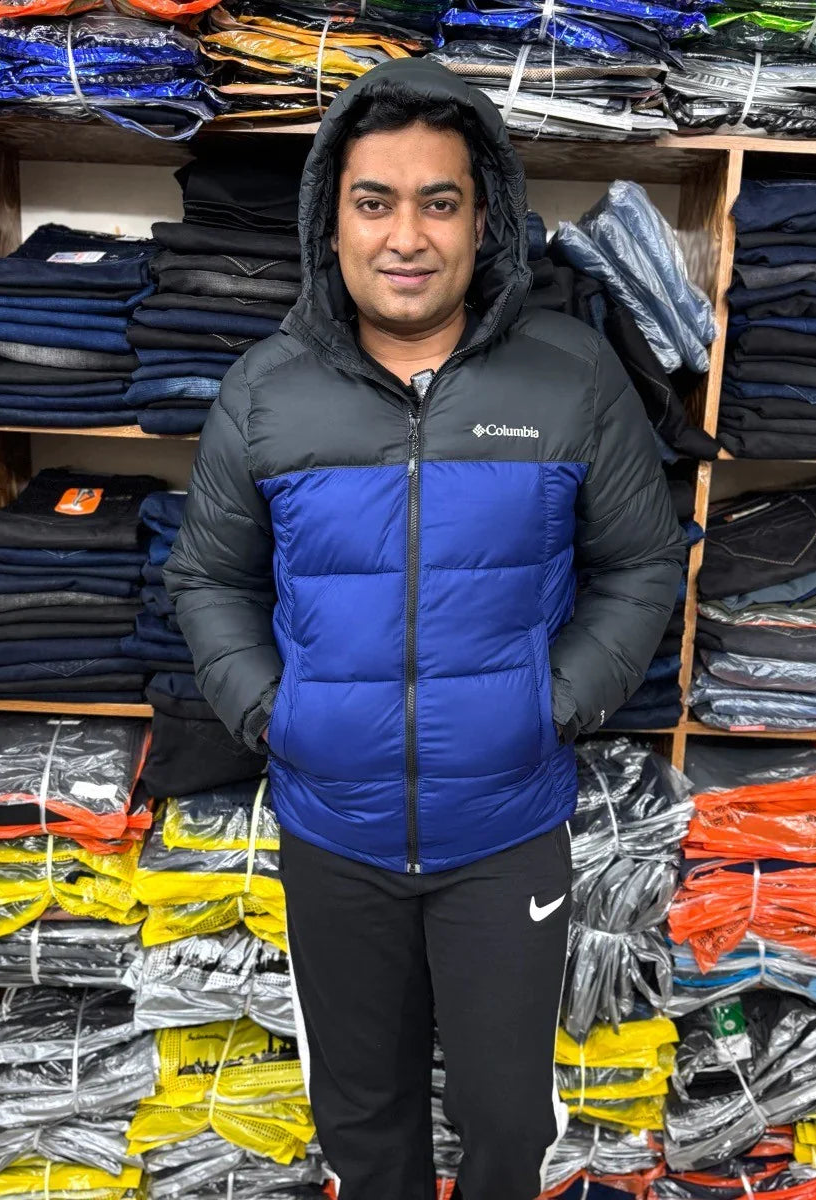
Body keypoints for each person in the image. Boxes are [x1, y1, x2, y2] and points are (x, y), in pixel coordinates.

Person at [166, 57, 686, 1200]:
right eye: (376, 201)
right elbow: (207, 577)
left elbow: (644, 560)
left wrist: (551, 703)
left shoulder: (569, 378)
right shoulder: (265, 391)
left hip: (505, 833)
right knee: (363, 1124)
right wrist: (277, 714)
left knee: (506, 1121)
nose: (407, 236)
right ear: (332, 220)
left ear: (482, 220)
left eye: (438, 202)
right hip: (333, 834)